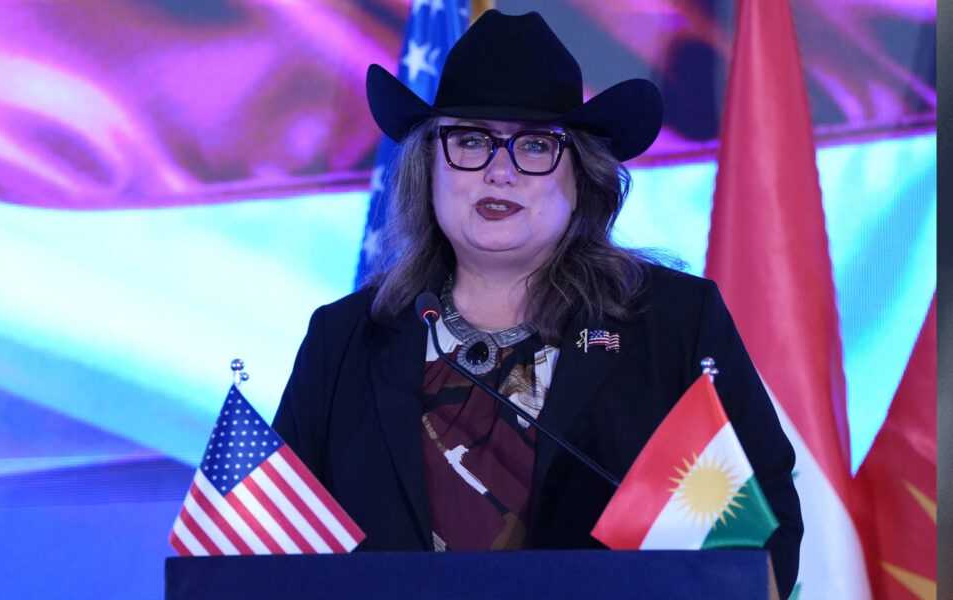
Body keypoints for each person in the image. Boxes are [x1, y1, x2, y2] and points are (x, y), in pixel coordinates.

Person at [273, 9, 802, 598]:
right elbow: (273, 552)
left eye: (535, 145)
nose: (499, 172)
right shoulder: (344, 338)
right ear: (429, 168)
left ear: (582, 178)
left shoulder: (675, 324)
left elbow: (761, 529)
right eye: (470, 141)